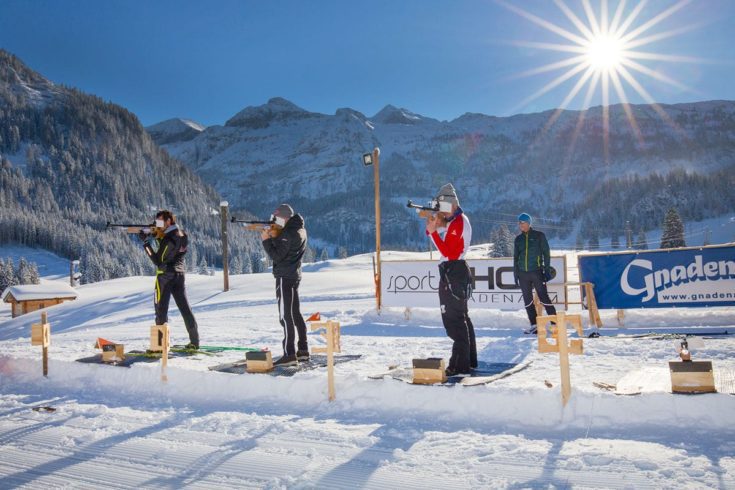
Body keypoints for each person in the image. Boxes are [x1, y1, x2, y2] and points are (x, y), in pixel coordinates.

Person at [425, 183, 477, 376]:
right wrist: (435, 225)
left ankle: (460, 365)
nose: (442, 212)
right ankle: (469, 361)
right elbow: (435, 234)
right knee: (462, 317)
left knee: (454, 320)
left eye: (443, 208)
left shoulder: (458, 223)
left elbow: (449, 252)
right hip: (454, 271)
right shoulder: (454, 221)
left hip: (453, 271)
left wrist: (433, 232)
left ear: (451, 205)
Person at [141, 210, 199, 349]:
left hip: (165, 276)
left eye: (160, 222)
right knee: (185, 309)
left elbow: (158, 260)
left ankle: (160, 346)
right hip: (179, 275)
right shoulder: (182, 234)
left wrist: (146, 244)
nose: (158, 225)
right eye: (156, 222)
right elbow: (173, 249)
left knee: (161, 310)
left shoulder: (168, 239)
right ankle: (195, 342)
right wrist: (157, 235)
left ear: (168, 221)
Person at [261, 203, 309, 366]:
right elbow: (286, 248)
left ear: (284, 217)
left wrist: (266, 240)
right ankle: (303, 350)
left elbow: (277, 255)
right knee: (295, 314)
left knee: (285, 315)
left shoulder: (288, 233)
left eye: (276, 218)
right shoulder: (299, 229)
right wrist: (276, 235)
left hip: (284, 277)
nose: (274, 221)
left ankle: (289, 353)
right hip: (294, 275)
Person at [513, 213, 556, 334]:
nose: (520, 224)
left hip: (536, 272)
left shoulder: (539, 236)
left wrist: (546, 270)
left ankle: (555, 324)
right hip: (523, 274)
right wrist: (515, 273)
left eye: (522, 222)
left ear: (528, 223)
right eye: (519, 222)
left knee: (544, 298)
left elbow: (546, 254)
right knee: (528, 300)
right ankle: (534, 325)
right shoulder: (518, 239)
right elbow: (516, 257)